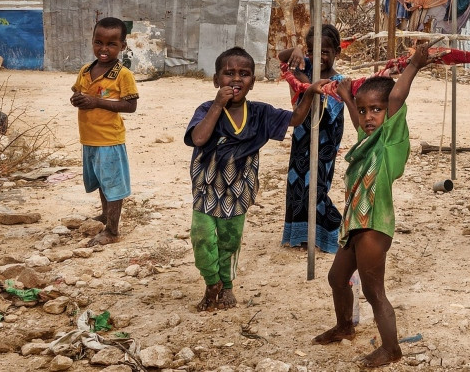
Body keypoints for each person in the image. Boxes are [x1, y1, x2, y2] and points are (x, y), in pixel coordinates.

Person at [313, 40, 431, 368]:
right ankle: (344, 326)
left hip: (374, 227)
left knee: (373, 290)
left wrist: (414, 66)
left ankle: (391, 348)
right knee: (337, 279)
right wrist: (350, 98)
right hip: (355, 224)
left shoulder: (392, 141)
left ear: (389, 113)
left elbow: (395, 96)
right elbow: (357, 121)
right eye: (365, 111)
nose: (368, 116)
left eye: (375, 110)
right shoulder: (369, 139)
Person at [185, 47, 320, 312]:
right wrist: (216, 105)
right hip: (206, 189)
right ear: (216, 80)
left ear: (253, 83)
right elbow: (199, 139)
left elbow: (295, 119)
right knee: (201, 236)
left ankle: (227, 285)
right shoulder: (206, 109)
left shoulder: (259, 113)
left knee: (230, 241)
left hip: (239, 190)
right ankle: (211, 281)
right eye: (229, 73)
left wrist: (310, 93)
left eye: (244, 74)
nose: (236, 79)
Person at [70, 17, 139, 247]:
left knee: (113, 184)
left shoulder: (122, 74)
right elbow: (78, 94)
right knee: (101, 181)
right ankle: (105, 215)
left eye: (111, 44)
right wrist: (77, 99)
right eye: (98, 42)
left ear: (123, 46)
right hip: (89, 138)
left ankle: (112, 230)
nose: (104, 49)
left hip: (109, 139)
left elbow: (130, 106)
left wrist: (96, 102)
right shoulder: (86, 70)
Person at [278, 24, 346, 253]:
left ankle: (334, 227)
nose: (318, 57)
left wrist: (304, 79)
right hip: (302, 136)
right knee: (296, 183)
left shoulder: (338, 80)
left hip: (325, 140)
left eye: (324, 52)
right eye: (311, 51)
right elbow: (282, 56)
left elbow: (328, 114)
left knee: (316, 187)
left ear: (337, 51)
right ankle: (300, 235)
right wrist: (296, 50)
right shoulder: (305, 63)